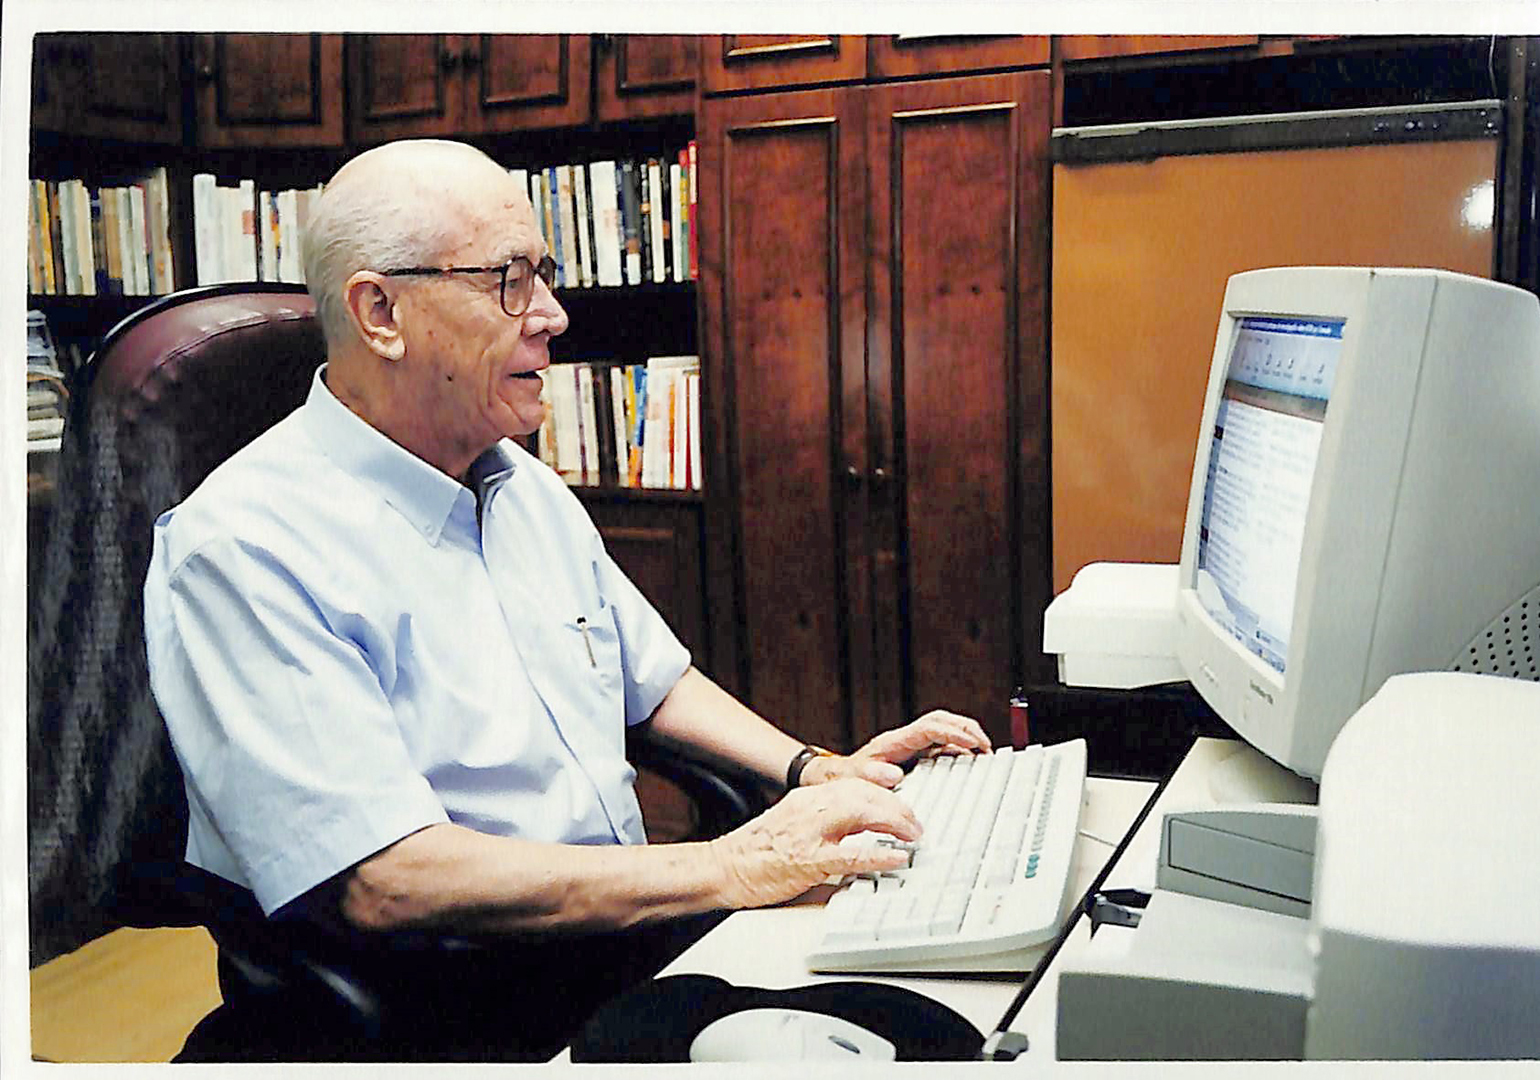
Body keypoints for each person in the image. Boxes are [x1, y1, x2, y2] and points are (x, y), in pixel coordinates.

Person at [143, 139, 991, 1060]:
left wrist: (811, 768)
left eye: (542, 276)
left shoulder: (518, 483)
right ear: (380, 312)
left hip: (621, 935)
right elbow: (386, 877)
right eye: (510, 280)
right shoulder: (243, 548)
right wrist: (733, 865)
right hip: (458, 999)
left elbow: (651, 679)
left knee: (945, 1014)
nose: (552, 315)